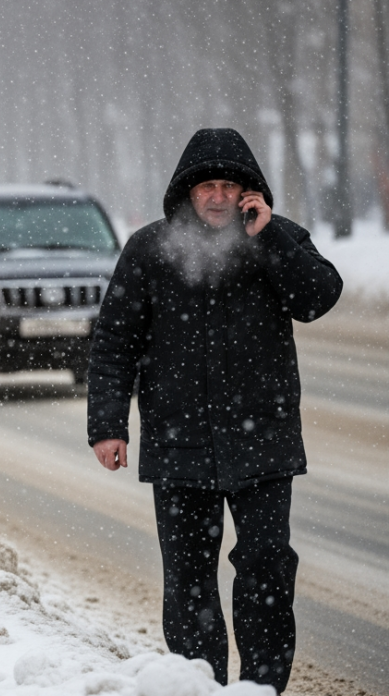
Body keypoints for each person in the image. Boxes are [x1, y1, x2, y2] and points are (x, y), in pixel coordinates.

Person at [87, 128, 342, 690]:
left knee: (267, 571)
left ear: (249, 191)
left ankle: (262, 688)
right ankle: (202, 687)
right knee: (189, 583)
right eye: (208, 186)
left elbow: (318, 298)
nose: (220, 196)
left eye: (230, 185)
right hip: (178, 445)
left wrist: (271, 237)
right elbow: (114, 343)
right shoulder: (150, 249)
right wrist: (108, 426)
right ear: (188, 191)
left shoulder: (278, 238)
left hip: (264, 444)